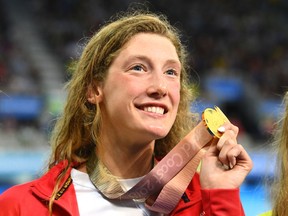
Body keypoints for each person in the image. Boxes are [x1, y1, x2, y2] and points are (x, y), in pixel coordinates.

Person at [0, 9, 253, 216]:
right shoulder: (22, 206)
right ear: (94, 89)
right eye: (139, 68)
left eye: (171, 72)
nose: (160, 87)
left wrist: (221, 194)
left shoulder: (204, 203)